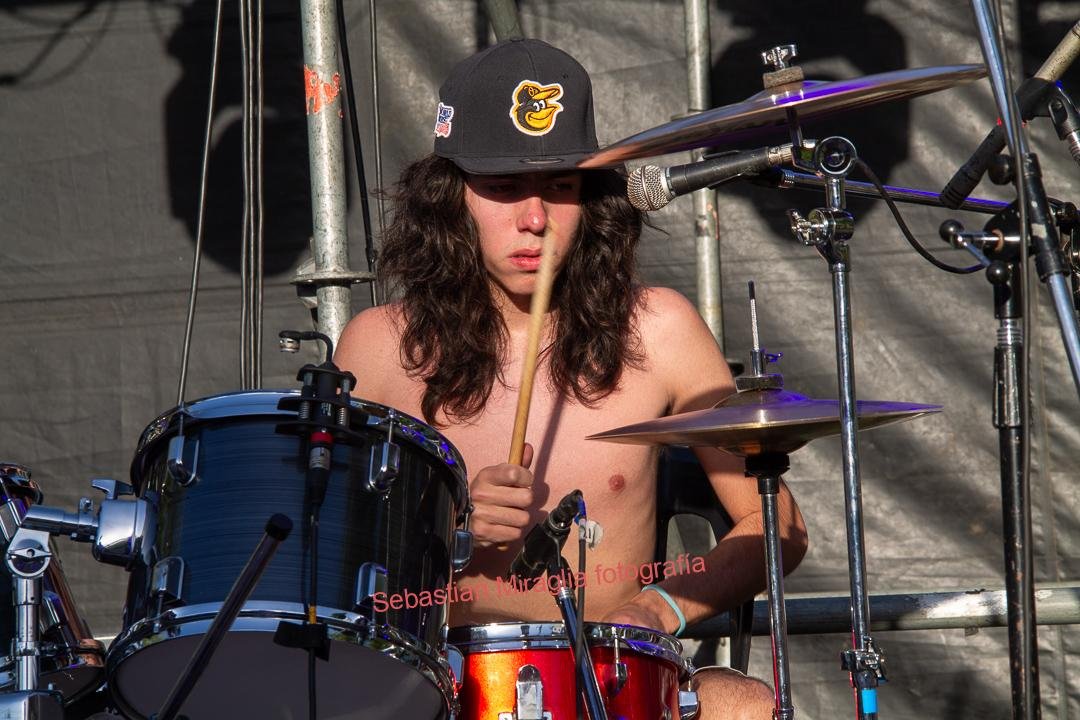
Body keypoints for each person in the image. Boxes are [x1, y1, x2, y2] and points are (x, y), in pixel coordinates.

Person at [335, 37, 808, 720]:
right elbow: (322, 556)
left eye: (560, 187)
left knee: (747, 706)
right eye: (503, 188)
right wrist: (450, 531)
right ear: (449, 197)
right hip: (438, 685)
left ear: (594, 197)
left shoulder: (659, 329)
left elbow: (777, 524)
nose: (534, 219)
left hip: (613, 683)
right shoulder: (380, 346)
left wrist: (658, 607)